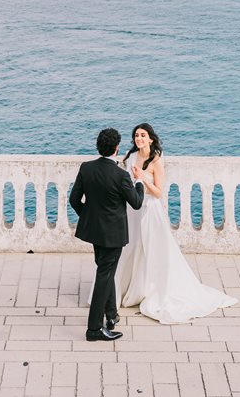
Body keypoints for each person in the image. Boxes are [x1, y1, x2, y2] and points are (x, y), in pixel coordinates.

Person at [114, 123, 237, 323]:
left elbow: (159, 192)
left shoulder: (156, 160)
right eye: (136, 135)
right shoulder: (130, 156)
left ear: (151, 139)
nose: (139, 138)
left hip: (149, 209)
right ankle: (130, 287)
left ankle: (150, 288)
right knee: (132, 247)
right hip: (132, 209)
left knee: (151, 250)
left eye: (143, 135)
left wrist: (142, 179)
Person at [69, 127, 145, 341]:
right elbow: (137, 203)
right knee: (104, 274)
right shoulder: (121, 175)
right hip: (113, 234)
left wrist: (88, 217)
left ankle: (111, 315)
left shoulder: (86, 168)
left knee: (106, 271)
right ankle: (94, 329)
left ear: (98, 146)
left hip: (94, 232)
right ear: (116, 148)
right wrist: (138, 182)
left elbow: (74, 200)